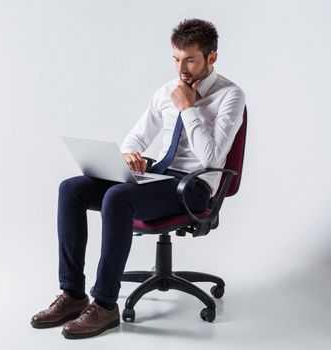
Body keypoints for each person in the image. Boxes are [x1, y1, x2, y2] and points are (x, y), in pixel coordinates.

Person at [31, 18, 246, 339]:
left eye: (190, 59)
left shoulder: (230, 95)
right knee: (72, 189)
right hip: (158, 176)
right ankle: (74, 295)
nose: (181, 68)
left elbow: (212, 159)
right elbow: (136, 138)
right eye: (176, 59)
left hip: (194, 187)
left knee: (117, 198)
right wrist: (130, 155)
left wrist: (189, 109)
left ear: (211, 57)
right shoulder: (165, 92)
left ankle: (105, 304)